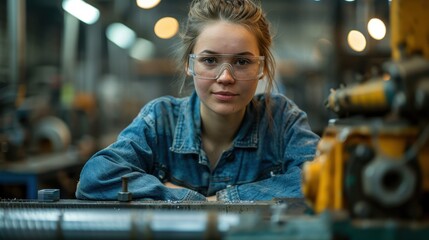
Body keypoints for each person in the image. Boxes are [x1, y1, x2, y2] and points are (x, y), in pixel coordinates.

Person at [75, 0, 320, 202]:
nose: (225, 77)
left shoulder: (282, 120)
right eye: (210, 61)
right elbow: (95, 177)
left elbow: (326, 179)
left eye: (242, 62)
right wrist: (188, 199)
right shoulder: (161, 119)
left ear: (262, 67)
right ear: (188, 65)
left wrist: (226, 199)